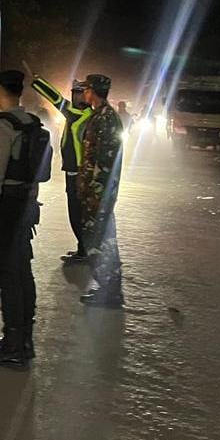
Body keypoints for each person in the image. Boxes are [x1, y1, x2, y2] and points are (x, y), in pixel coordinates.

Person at [0, 70, 43, 368]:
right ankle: (22, 338)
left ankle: (14, 346)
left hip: (6, 209)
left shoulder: (3, 126)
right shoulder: (32, 123)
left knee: (8, 274)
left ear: (0, 92)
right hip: (26, 204)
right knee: (22, 272)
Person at [25, 66, 92, 265]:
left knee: (76, 213)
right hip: (78, 171)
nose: (75, 97)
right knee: (79, 212)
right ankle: (84, 247)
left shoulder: (79, 114)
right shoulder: (86, 114)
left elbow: (56, 99)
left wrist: (37, 81)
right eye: (74, 93)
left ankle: (85, 249)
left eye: (79, 93)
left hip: (77, 173)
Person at [79, 74, 124, 307]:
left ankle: (109, 292)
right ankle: (109, 289)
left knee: (99, 240)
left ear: (92, 91)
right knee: (102, 238)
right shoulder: (102, 115)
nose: (83, 93)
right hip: (97, 191)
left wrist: (94, 191)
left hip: (99, 192)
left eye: (86, 89)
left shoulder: (105, 118)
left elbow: (104, 160)